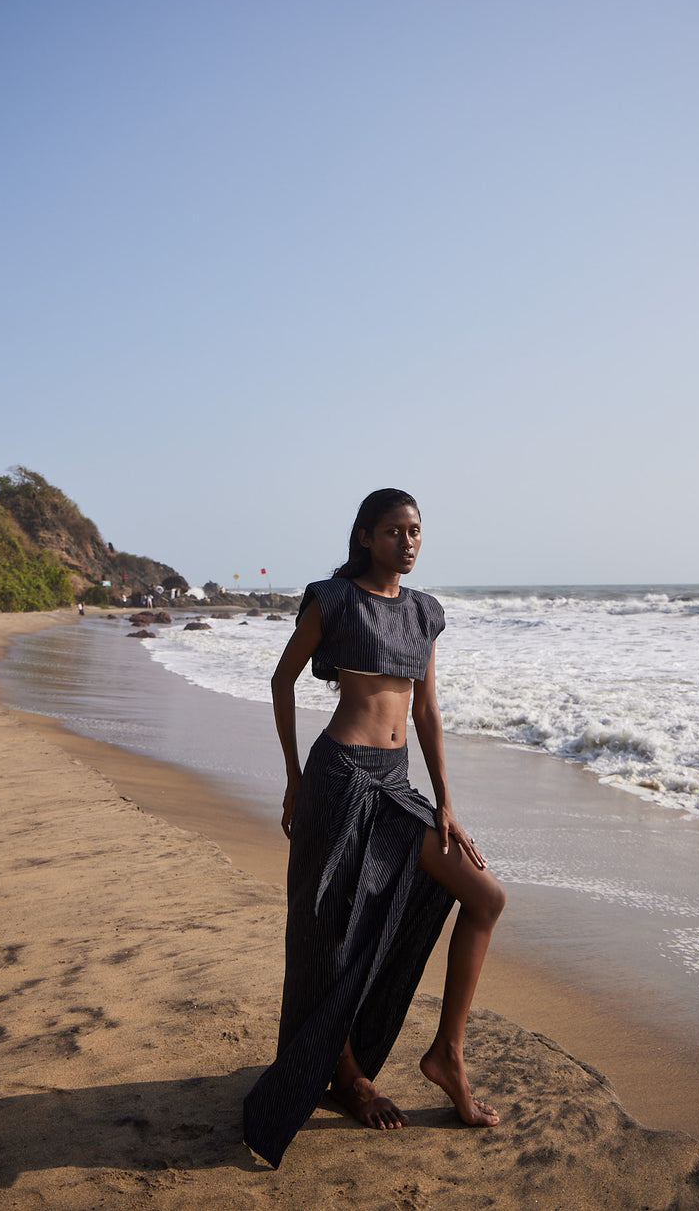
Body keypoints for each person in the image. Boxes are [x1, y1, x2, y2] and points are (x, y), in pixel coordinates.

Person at [243, 489, 505, 1168]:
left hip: (394, 784)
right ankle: (349, 1074)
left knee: (485, 896)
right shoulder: (332, 599)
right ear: (365, 535)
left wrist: (444, 800)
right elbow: (281, 680)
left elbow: (426, 714)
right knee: (335, 932)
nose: (409, 541)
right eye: (395, 531)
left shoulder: (424, 612)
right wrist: (296, 777)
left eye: (416, 530)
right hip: (338, 779)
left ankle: (447, 1053)